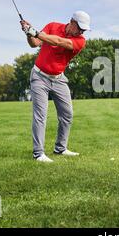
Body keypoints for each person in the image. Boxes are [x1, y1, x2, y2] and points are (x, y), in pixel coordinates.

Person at [20, 11, 90, 162]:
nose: (81, 32)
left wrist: (35, 32)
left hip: (59, 78)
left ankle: (60, 148)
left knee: (67, 114)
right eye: (80, 28)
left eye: (84, 30)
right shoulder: (52, 26)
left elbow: (58, 42)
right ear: (71, 22)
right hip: (39, 77)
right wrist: (28, 33)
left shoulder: (80, 41)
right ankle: (38, 153)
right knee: (40, 115)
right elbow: (35, 44)